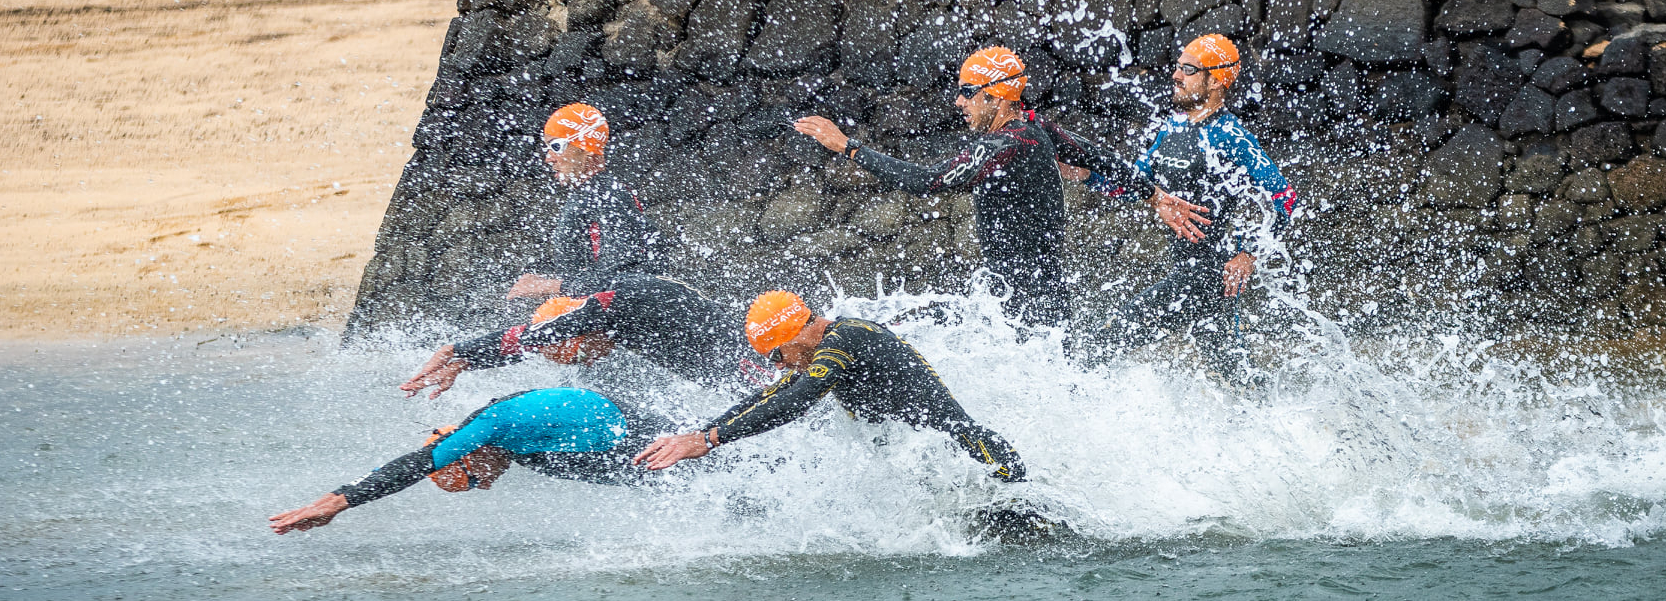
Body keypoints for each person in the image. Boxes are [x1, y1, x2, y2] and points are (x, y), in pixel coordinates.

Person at [793, 47, 1176, 328]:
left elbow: (926, 181)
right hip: (1032, 291)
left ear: (994, 95)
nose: (959, 102)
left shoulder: (1007, 144)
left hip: (1025, 300)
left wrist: (847, 146)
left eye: (966, 92)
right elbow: (1094, 153)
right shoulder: (1034, 126)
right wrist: (1153, 194)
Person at [1060, 34, 1297, 382]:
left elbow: (1285, 197)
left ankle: (1068, 402)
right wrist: (1087, 176)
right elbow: (1136, 184)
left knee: (1106, 338)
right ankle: (1285, 422)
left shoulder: (1230, 135)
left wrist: (1248, 255)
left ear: (1215, 80)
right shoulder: (1170, 129)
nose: (1175, 75)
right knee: (1236, 375)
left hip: (1209, 276)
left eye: (1188, 70)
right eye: (1177, 66)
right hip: (1184, 269)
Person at [633, 291, 1027, 482]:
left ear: (793, 335)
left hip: (983, 463)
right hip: (953, 473)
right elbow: (772, 394)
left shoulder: (845, 341)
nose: (781, 365)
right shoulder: (825, 348)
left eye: (775, 355)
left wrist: (713, 439)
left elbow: (798, 400)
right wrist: (700, 434)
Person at [269, 387, 682, 534]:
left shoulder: (494, 426)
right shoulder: (520, 451)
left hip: (643, 434)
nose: (483, 486)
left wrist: (337, 503)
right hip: (627, 443)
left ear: (466, 457)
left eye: (469, 481)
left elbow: (415, 464)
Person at [399, 273, 773, 400]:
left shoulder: (614, 305)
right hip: (725, 367)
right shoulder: (605, 307)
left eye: (579, 355)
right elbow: (534, 339)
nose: (591, 361)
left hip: (749, 356)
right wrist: (465, 364)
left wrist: (457, 350)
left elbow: (543, 331)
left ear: (582, 329)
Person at [508, 103, 663, 301]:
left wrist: (547, 286)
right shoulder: (589, 194)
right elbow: (586, 266)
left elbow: (621, 279)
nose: (549, 158)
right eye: (547, 148)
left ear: (585, 148)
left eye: (556, 146)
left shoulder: (608, 196)